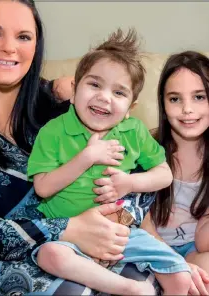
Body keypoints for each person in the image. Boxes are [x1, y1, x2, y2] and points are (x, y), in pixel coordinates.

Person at [0, 0, 157, 295]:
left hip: (90, 247)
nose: (9, 48)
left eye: (23, 36)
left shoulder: (67, 103)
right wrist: (68, 228)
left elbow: (142, 169)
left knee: (146, 275)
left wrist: (122, 222)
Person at [27, 28, 192, 295]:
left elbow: (165, 175)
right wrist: (86, 158)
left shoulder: (133, 131)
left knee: (182, 275)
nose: (104, 97)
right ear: (74, 89)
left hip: (119, 231)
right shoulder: (53, 132)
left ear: (130, 108)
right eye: (94, 84)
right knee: (49, 256)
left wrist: (129, 182)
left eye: (119, 92)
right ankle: (127, 287)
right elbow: (42, 188)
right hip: (68, 234)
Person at [148, 50, 209, 295]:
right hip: (150, 247)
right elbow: (134, 220)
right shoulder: (146, 147)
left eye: (199, 97)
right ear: (162, 103)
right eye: (175, 99)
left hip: (194, 248)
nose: (187, 109)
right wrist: (174, 263)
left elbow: (204, 242)